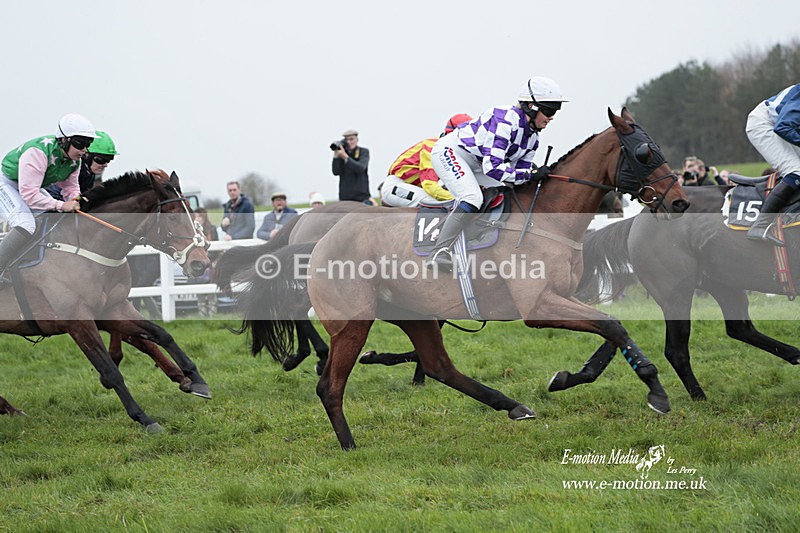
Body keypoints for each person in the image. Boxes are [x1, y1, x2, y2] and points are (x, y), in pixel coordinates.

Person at [425, 76, 566, 271]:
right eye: (548, 110)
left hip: (477, 164)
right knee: (472, 197)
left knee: (506, 194)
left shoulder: (533, 139)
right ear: (530, 106)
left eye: (555, 111)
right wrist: (529, 175)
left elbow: (519, 177)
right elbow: (493, 168)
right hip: (451, 153)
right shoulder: (505, 120)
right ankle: (438, 251)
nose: (551, 117)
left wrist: (536, 175)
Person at [0, 113, 97, 284]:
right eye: (79, 143)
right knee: (26, 224)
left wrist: (76, 201)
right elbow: (29, 196)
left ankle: (28, 263)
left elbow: (70, 187)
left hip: (29, 187)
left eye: (87, 144)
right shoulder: (38, 153)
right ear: (64, 140)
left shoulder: (74, 161)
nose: (84, 150)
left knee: (51, 218)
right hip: (7, 183)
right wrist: (62, 205)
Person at [745, 84, 800, 245]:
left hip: (781, 126)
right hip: (764, 124)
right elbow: (783, 127)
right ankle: (759, 226)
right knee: (796, 170)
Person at [380, 113, 473, 208]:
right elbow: (430, 185)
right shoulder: (433, 146)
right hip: (397, 186)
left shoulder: (457, 153)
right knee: (438, 203)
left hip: (417, 188)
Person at [46, 130, 118, 200]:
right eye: (101, 160)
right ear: (86, 155)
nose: (105, 165)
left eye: (108, 160)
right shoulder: (71, 167)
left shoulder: (90, 173)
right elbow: (52, 193)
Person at [331, 129, 372, 204]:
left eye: (351, 139)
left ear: (357, 139)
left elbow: (360, 168)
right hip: (345, 197)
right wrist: (336, 157)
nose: (349, 142)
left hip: (361, 197)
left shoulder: (363, 152)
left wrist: (346, 157)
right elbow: (335, 172)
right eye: (347, 140)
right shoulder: (341, 153)